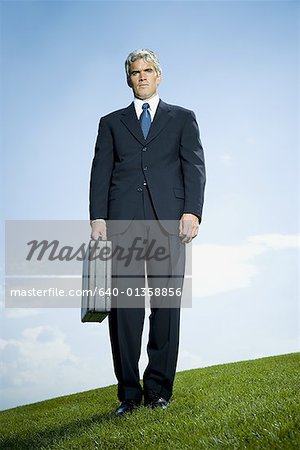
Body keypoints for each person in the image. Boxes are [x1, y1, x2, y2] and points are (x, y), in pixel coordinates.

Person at [89, 49, 206, 416]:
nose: (142, 76)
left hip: (168, 221)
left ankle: (158, 390)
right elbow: (100, 172)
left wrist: (192, 211)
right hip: (121, 222)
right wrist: (97, 218)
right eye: (135, 72)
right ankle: (128, 394)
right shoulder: (110, 122)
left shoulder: (183, 118)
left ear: (159, 75)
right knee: (125, 309)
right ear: (129, 78)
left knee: (166, 307)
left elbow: (195, 167)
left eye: (148, 70)